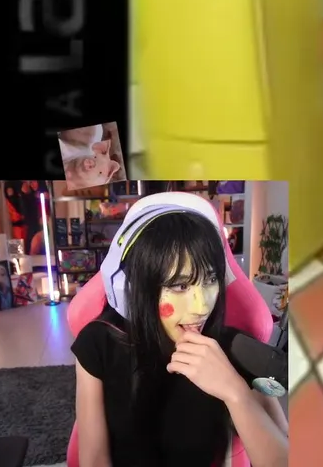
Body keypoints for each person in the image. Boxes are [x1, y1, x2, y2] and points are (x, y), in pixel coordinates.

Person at [72, 195, 289, 467]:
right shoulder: (99, 343)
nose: (202, 307)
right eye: (180, 286)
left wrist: (235, 392)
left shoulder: (234, 349)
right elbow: (94, 458)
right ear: (140, 286)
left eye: (211, 279)